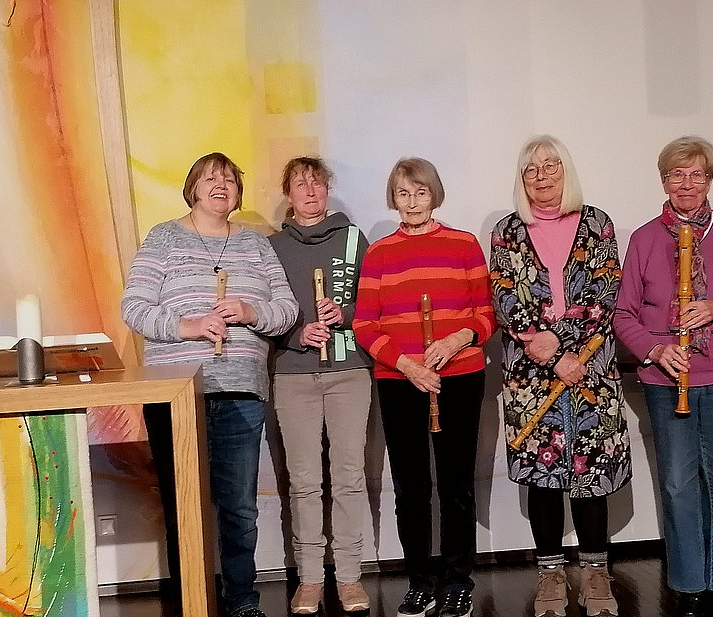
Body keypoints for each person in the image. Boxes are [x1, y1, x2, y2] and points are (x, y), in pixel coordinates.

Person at [121, 152, 299, 617]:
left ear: (238, 194)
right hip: (177, 391)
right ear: (193, 189)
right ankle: (192, 602)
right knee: (184, 503)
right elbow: (134, 306)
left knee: (239, 506)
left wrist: (251, 312)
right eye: (210, 178)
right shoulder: (164, 237)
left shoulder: (256, 244)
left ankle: (242, 601)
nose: (221, 185)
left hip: (240, 390)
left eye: (230, 181)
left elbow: (287, 310)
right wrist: (191, 325)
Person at [614, 136, 713, 617]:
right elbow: (623, 314)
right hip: (666, 376)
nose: (687, 184)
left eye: (697, 174)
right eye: (677, 175)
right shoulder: (644, 238)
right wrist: (655, 350)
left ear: (710, 180)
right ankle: (688, 582)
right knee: (677, 482)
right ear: (664, 181)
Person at [489, 135, 627, 617]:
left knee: (591, 474)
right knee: (543, 476)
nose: (542, 175)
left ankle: (595, 574)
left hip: (590, 370)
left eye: (551, 166)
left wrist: (562, 346)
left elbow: (605, 294)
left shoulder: (597, 223)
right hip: (530, 377)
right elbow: (506, 300)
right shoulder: (507, 231)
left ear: (566, 171)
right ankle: (550, 574)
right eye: (531, 169)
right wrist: (549, 355)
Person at [352, 157, 495, 617]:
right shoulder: (379, 253)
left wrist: (456, 340)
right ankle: (419, 581)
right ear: (393, 199)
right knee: (410, 487)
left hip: (460, 375)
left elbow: (486, 314)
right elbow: (364, 324)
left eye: (420, 192)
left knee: (456, 485)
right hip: (400, 380)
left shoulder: (464, 244)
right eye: (403, 194)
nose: (412, 202)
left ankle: (458, 582)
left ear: (434, 194)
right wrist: (407, 365)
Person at [267, 157, 373, 615]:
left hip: (349, 371)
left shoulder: (353, 239)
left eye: (317, 183)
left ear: (327, 189)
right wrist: (297, 334)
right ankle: (310, 577)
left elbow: (375, 303)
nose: (310, 192)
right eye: (300, 184)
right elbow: (264, 311)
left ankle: (349, 576)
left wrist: (344, 315)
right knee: (304, 480)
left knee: (348, 476)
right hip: (293, 374)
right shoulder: (271, 247)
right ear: (288, 194)